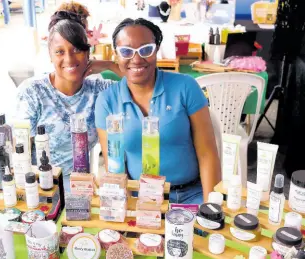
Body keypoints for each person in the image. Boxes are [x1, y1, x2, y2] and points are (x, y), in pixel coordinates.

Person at [95, 18, 221, 204]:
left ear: (157, 49)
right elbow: (116, 168)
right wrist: (129, 211)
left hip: (191, 195)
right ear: (116, 55)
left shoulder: (185, 87)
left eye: (146, 49)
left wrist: (210, 208)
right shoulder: (107, 101)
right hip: (140, 197)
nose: (136, 59)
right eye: (126, 51)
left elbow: (207, 153)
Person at [15, 11, 121, 192]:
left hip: (81, 187)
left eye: (77, 50)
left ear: (88, 52)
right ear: (50, 56)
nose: (69, 59)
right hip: (41, 186)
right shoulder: (33, 92)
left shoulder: (100, 90)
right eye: (59, 52)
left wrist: (109, 65)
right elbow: (20, 154)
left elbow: (143, 83)